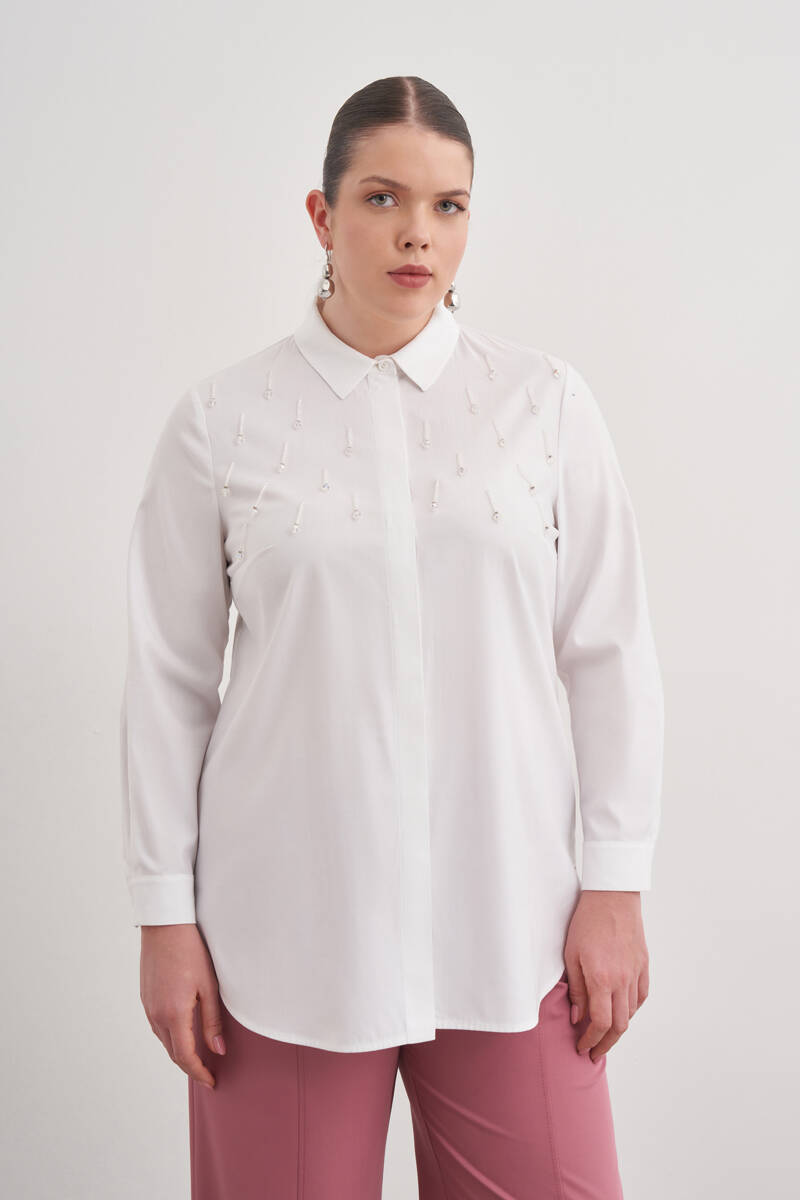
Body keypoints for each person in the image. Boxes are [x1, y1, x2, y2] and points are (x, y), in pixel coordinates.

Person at [120, 75, 664, 1199]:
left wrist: (614, 887)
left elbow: (608, 652)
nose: (418, 232)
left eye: (447, 205)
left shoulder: (546, 404)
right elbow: (171, 683)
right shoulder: (222, 422)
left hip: (511, 924)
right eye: (382, 198)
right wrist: (164, 917)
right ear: (321, 216)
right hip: (286, 938)